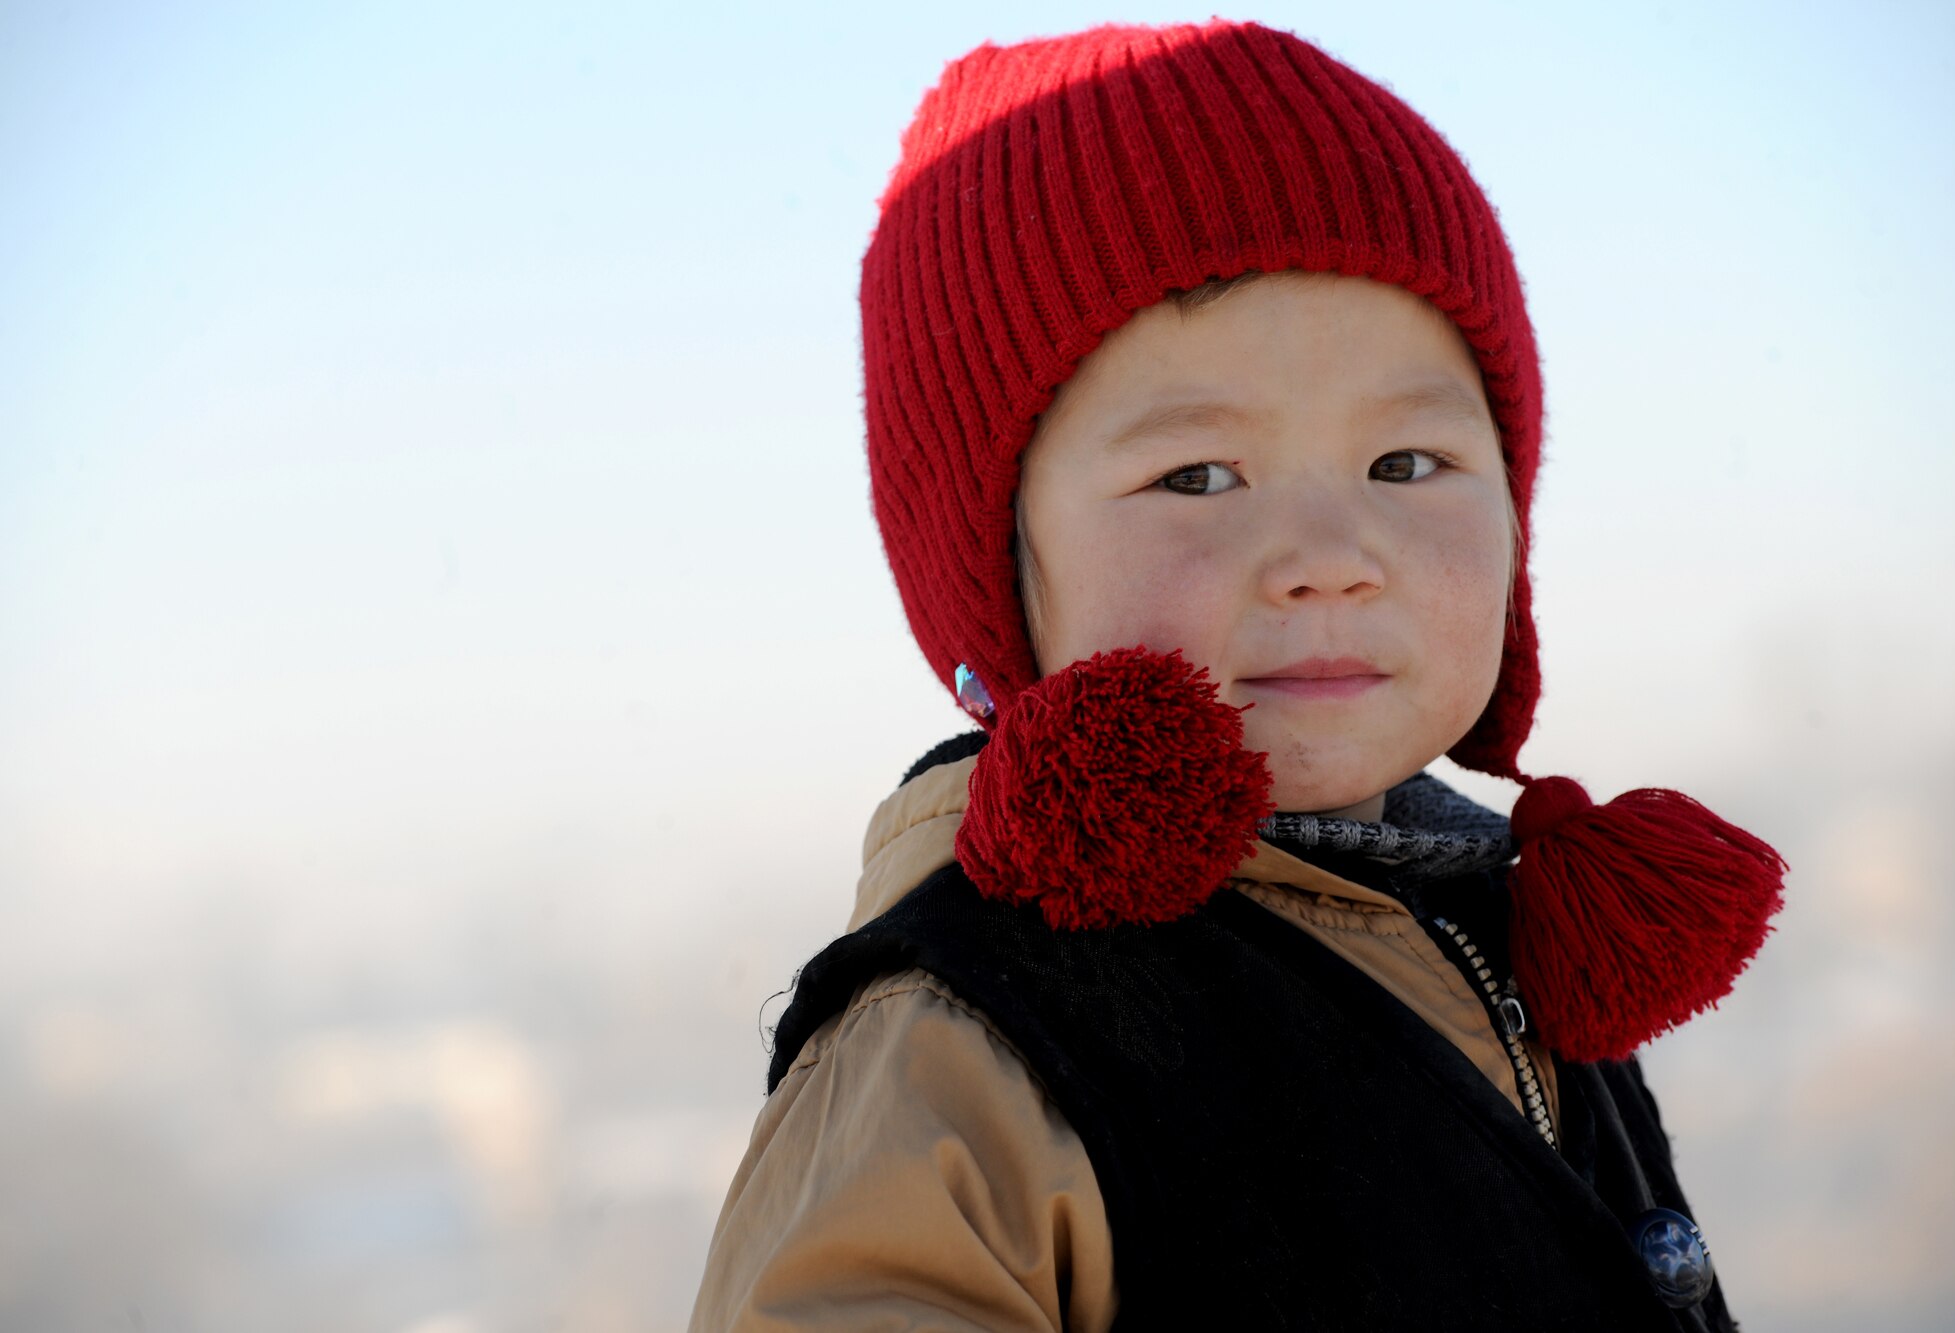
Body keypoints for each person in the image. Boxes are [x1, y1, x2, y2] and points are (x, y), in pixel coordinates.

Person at [692, 19, 1784, 1331]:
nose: (1331, 558)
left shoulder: (1508, 954)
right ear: (1000, 564)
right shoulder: (964, 1044)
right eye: (1197, 478)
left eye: (1406, 466)